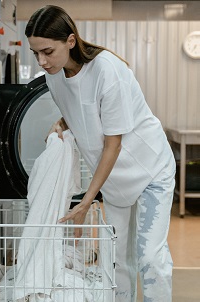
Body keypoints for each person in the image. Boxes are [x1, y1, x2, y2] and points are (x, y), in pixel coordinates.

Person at [25, 5, 176, 302]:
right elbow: (82, 110)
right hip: (114, 180)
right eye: (36, 54)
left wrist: (86, 202)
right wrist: (62, 123)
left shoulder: (107, 69)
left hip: (149, 172)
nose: (42, 61)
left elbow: (113, 142)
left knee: (149, 258)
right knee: (116, 259)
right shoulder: (54, 77)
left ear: (70, 41)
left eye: (48, 51)